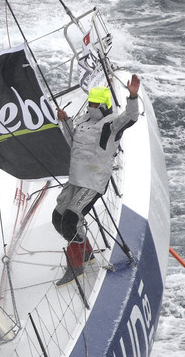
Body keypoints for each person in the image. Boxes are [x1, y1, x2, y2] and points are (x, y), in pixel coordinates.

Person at [52, 74, 141, 284]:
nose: (91, 107)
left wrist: (133, 96)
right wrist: (65, 121)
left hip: (94, 181)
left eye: (96, 104)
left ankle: (75, 268)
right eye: (90, 103)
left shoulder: (111, 125)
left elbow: (131, 116)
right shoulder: (82, 120)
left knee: (71, 221)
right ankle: (87, 253)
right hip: (75, 178)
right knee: (58, 218)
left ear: (104, 105)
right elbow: (71, 140)